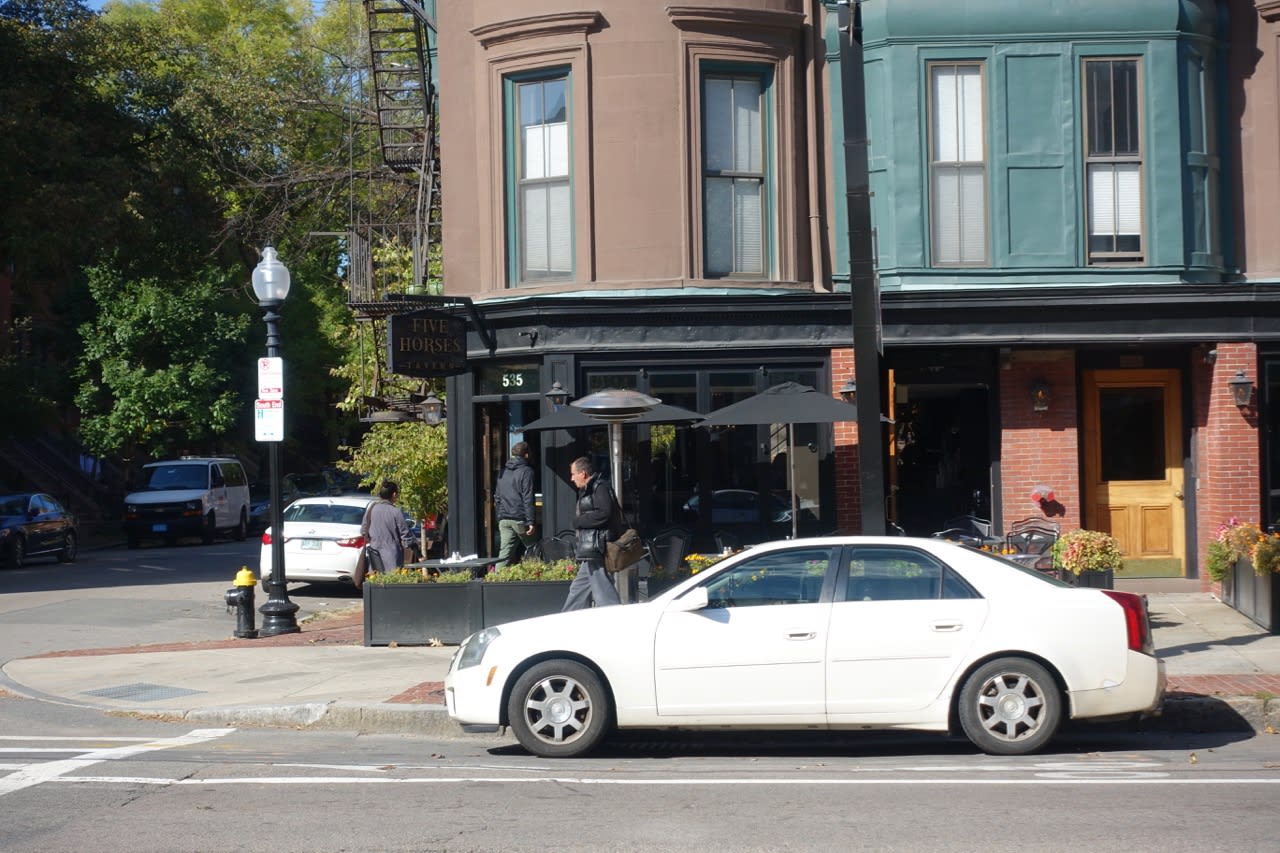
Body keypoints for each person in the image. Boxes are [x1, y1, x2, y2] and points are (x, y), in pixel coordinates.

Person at [561, 456, 622, 611]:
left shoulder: (599, 487)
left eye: (574, 474)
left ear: (583, 473)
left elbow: (605, 512)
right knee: (578, 588)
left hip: (597, 547)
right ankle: (566, 619)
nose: (572, 478)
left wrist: (580, 521)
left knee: (603, 591)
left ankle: (617, 618)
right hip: (590, 547)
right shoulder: (591, 487)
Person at [494, 441, 536, 569]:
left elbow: (497, 497)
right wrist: (531, 521)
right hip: (519, 518)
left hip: (504, 519)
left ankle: (495, 580)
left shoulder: (503, 472)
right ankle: (538, 576)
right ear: (527, 455)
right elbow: (527, 497)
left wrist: (500, 516)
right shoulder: (526, 471)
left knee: (504, 554)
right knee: (534, 548)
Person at [363, 480, 414, 573]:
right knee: (392, 582)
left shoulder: (371, 509)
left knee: (375, 582)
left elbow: (363, 531)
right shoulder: (396, 511)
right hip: (392, 554)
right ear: (394, 494)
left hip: (374, 553)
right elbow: (406, 535)